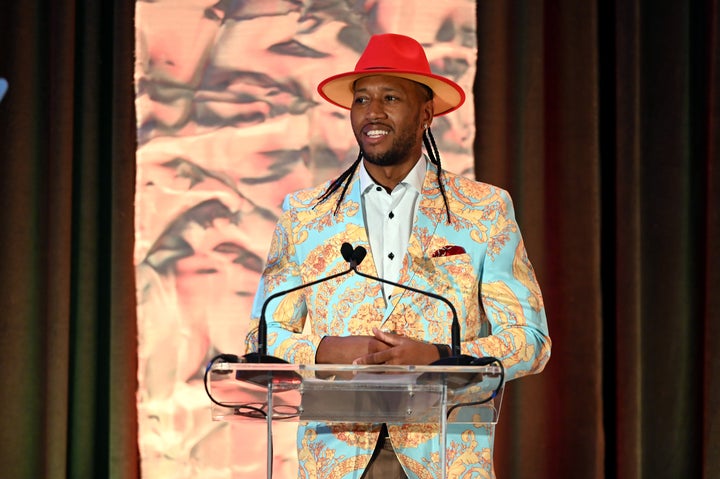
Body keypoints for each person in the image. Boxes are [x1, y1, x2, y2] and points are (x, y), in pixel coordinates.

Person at [248, 33, 551, 479]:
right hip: (338, 457)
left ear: (426, 113)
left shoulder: (484, 211)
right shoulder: (304, 215)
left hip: (445, 457)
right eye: (362, 99)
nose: (373, 111)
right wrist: (325, 350)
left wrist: (441, 356)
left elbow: (531, 339)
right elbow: (261, 337)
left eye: (390, 97)